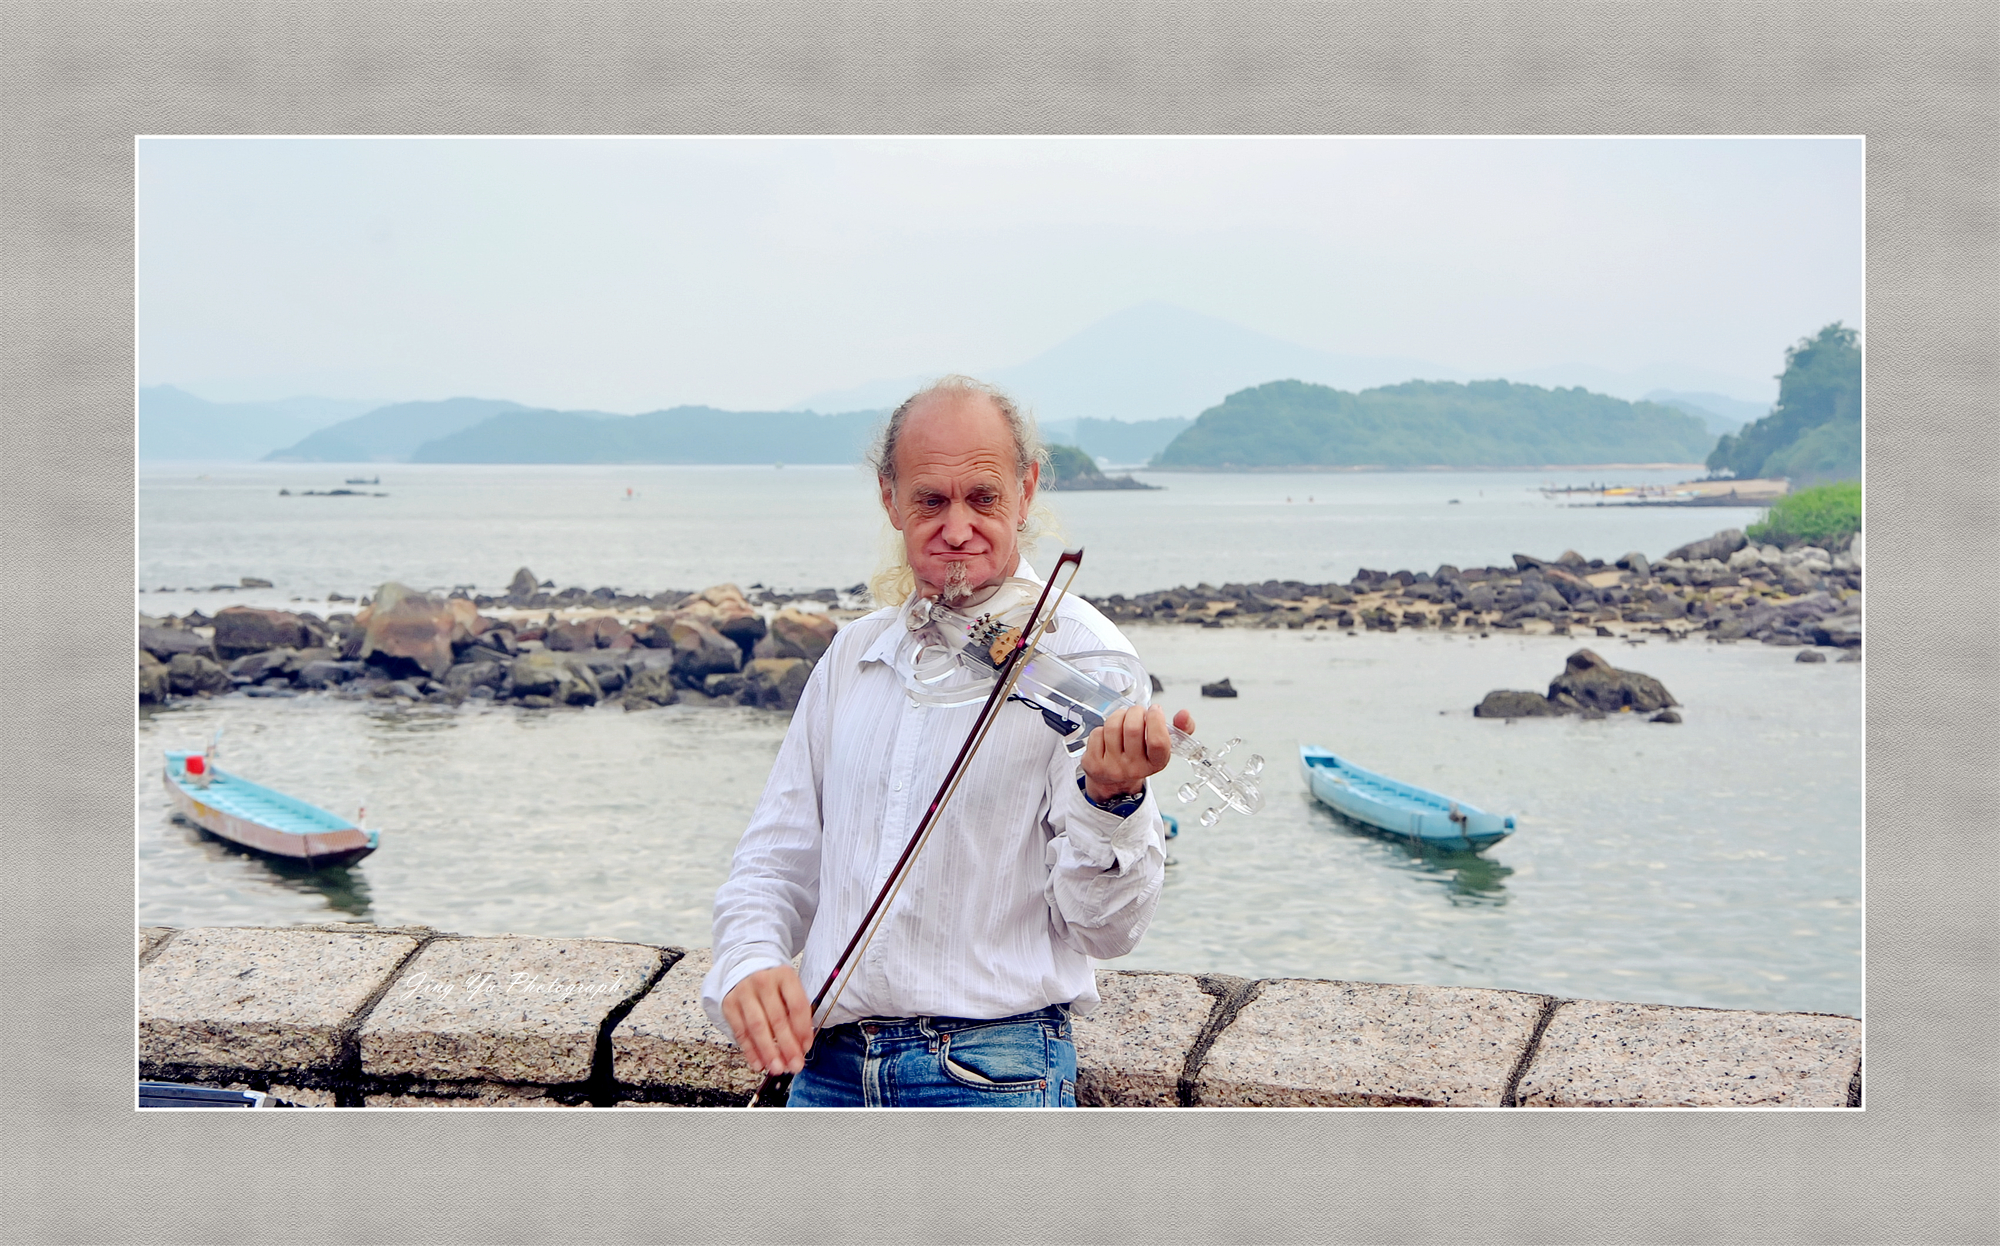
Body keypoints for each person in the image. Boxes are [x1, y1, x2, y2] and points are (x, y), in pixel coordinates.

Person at [701, 375, 1190, 1107]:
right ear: (890, 498)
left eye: (983, 498)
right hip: (825, 1074)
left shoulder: (1085, 660)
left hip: (994, 1075)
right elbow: (775, 861)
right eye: (930, 500)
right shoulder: (855, 655)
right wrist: (749, 959)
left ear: (1025, 492)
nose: (957, 529)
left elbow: (1107, 931)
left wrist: (1113, 798)